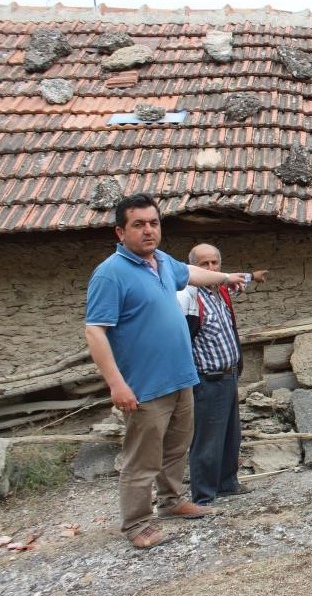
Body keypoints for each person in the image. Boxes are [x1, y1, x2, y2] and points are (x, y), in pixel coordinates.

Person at [85, 193, 248, 549]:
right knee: (142, 459)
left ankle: (171, 502)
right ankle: (137, 524)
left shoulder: (161, 261)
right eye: (138, 224)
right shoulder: (110, 274)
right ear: (120, 231)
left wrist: (225, 275)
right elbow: (94, 331)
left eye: (154, 223)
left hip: (182, 379)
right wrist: (116, 384)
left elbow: (190, 272)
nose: (148, 231)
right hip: (145, 386)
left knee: (176, 448)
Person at [177, 244, 267, 506]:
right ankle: (203, 495)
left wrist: (253, 276)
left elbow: (235, 278)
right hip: (207, 380)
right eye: (204, 265)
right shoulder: (189, 297)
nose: (211, 269)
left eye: (215, 263)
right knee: (207, 439)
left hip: (228, 377)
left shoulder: (219, 291)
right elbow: (182, 341)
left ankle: (227, 483)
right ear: (192, 268)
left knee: (230, 435)